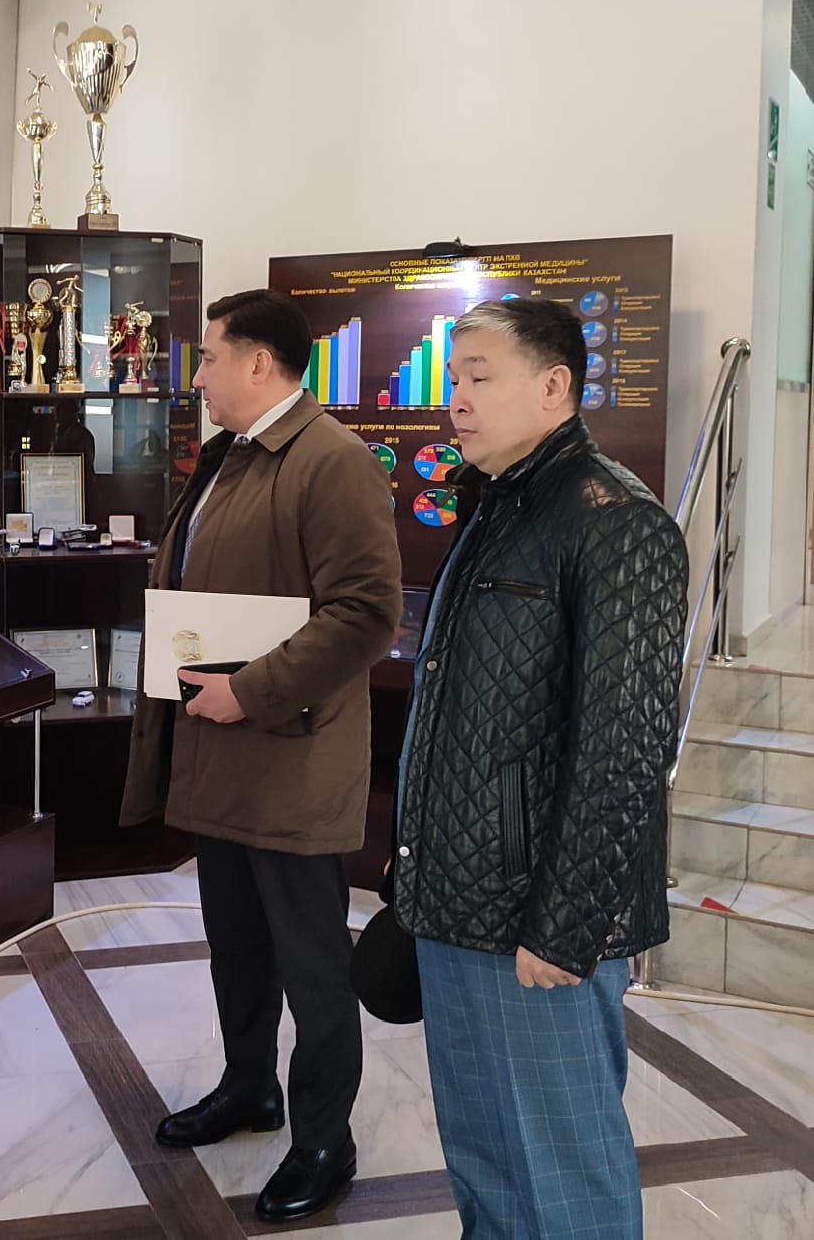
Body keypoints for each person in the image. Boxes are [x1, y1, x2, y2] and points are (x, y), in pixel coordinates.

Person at [391, 297, 688, 1239]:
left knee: (562, 1174)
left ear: (555, 385)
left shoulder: (617, 521)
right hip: (456, 898)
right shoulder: (496, 505)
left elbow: (625, 747)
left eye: (479, 377)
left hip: (537, 920)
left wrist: (565, 926)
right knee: (483, 1154)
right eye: (453, 379)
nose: (456, 400)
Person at [121, 288, 403, 1223]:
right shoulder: (229, 457)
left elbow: (364, 613)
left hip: (291, 758)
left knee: (314, 967)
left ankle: (325, 1137)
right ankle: (249, 1088)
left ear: (258, 363)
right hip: (221, 756)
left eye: (207, 358)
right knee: (237, 947)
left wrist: (251, 689)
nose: (196, 376)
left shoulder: (332, 461)